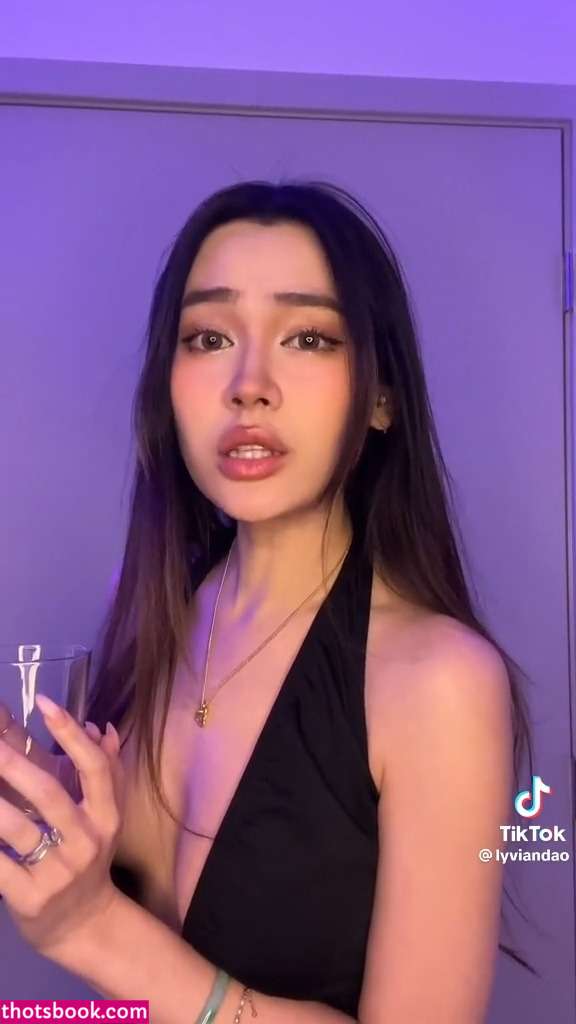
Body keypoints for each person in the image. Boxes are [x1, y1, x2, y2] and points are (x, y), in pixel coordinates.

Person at [1, 180, 536, 1023]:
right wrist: (38, 810)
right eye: (209, 338)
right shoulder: (156, 610)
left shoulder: (438, 681)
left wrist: (90, 928)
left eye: (308, 338)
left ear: (382, 398)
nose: (248, 385)